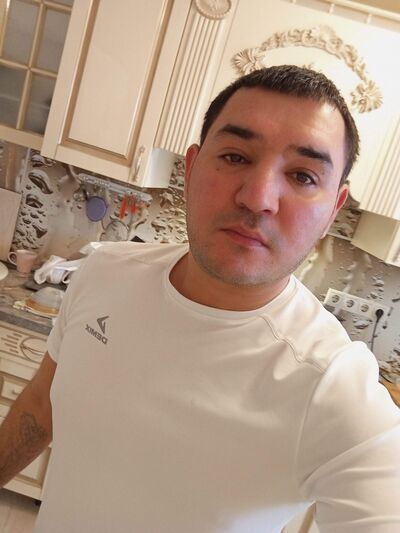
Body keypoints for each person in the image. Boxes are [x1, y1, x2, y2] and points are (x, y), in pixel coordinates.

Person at [0, 65, 399, 533]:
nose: (258, 198)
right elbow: (40, 406)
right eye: (235, 156)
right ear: (190, 169)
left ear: (333, 209)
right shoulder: (103, 272)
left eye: (303, 176)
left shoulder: (332, 388)